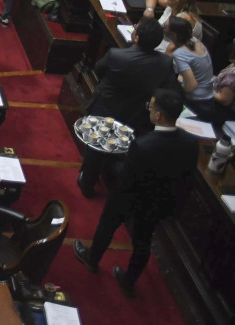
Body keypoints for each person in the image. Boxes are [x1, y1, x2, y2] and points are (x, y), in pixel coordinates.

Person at [73, 89, 199, 297]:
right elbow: (185, 179)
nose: (149, 110)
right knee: (143, 241)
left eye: (151, 107)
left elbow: (126, 178)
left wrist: (114, 162)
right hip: (159, 202)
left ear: (158, 115)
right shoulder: (191, 143)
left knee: (107, 224)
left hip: (129, 197)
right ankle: (129, 281)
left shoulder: (143, 145)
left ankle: (92, 259)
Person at [77, 19, 174, 197]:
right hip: (134, 112)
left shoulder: (117, 55)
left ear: (136, 37)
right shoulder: (165, 63)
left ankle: (87, 181)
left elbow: (98, 69)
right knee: (118, 145)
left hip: (105, 106)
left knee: (96, 146)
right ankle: (104, 175)